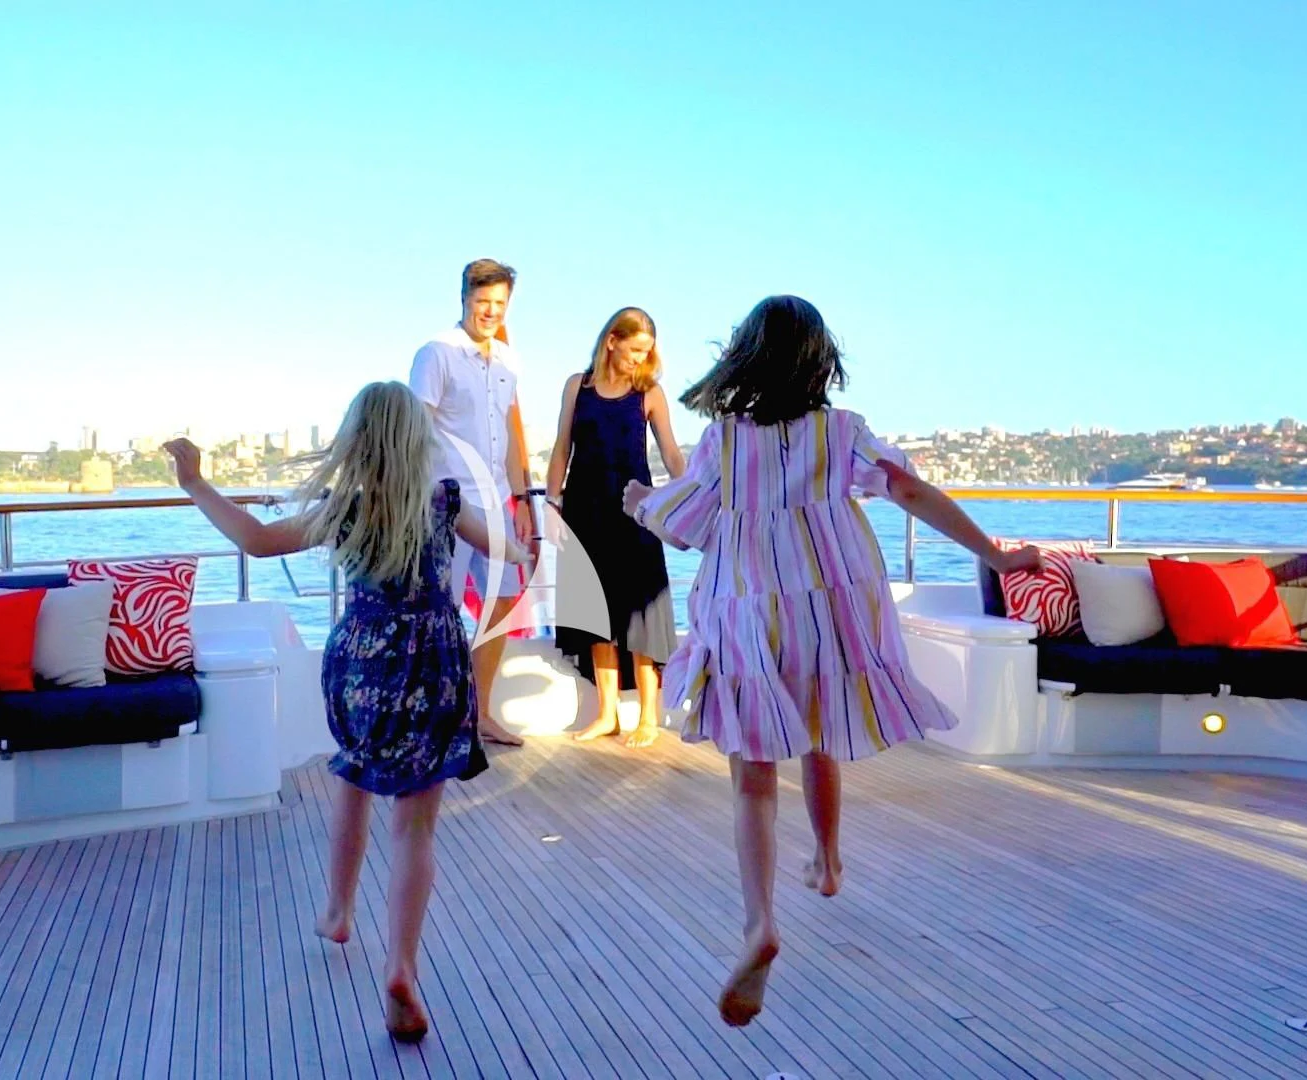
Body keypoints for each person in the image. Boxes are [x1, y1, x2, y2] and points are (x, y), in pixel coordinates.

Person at [621, 295, 1043, 1028]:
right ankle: (828, 859)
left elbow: (683, 525)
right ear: (822, 361)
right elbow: (909, 490)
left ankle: (759, 923)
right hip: (830, 612)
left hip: (750, 609)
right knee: (823, 730)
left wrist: (637, 503)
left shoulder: (725, 441)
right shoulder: (842, 433)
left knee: (752, 772)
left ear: (743, 356)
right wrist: (997, 555)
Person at [165, 381, 530, 1044]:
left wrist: (196, 483)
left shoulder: (343, 509)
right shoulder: (444, 501)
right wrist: (522, 551)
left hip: (362, 661)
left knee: (355, 779)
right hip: (434, 662)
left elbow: (256, 539)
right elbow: (505, 553)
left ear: (355, 441)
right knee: (415, 828)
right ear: (418, 442)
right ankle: (401, 965)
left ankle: (338, 911)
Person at [546, 307, 687, 748]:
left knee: (641, 610)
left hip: (634, 513)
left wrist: (690, 497)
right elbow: (561, 448)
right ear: (612, 341)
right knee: (595, 614)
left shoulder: (649, 392)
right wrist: (551, 504)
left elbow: (671, 454)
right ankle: (606, 713)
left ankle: (649, 715)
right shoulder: (578, 386)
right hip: (584, 511)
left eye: (647, 351)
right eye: (635, 349)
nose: (641, 359)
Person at [409, 258, 532, 747]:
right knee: (440, 608)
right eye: (483, 302)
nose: (490, 312)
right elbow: (415, 429)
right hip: (447, 501)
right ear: (464, 298)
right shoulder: (435, 353)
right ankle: (433, 716)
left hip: (499, 500)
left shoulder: (509, 360)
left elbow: (512, 431)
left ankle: (479, 711)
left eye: (499, 304)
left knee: (502, 602)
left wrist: (523, 498)